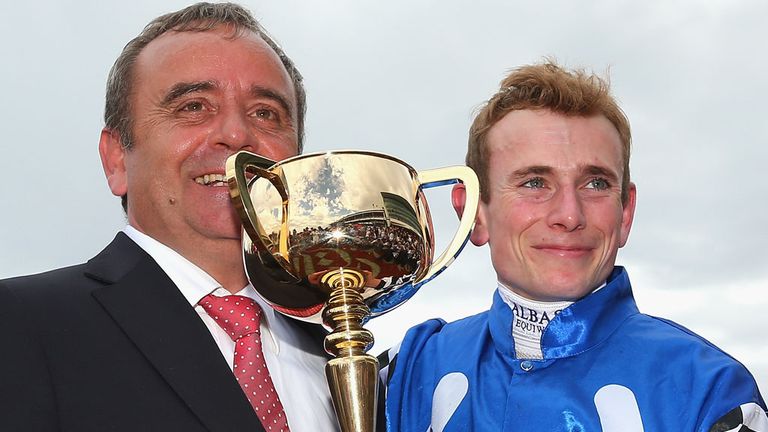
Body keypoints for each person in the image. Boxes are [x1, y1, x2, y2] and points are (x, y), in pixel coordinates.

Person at [0, 3, 339, 431]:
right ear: (117, 159)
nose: (236, 135)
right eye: (194, 107)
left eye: (265, 113)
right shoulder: (19, 326)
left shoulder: (344, 354)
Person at [380, 61, 767, 431]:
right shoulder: (404, 372)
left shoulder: (711, 391)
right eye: (534, 182)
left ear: (625, 214)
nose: (569, 214)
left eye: (595, 183)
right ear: (475, 214)